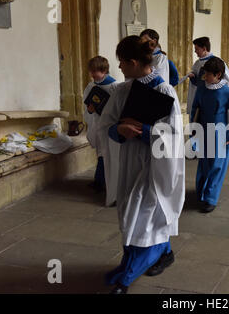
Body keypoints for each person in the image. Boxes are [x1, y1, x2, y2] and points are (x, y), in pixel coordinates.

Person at [99, 36, 185, 294]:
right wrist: (118, 129)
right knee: (131, 214)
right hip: (129, 164)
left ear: (134, 62)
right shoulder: (123, 90)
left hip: (153, 167)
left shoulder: (164, 91)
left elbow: (173, 136)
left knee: (143, 217)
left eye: (122, 63)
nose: (120, 68)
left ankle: (127, 276)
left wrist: (144, 131)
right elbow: (106, 124)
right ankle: (162, 253)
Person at [190, 57, 229, 214]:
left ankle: (211, 198)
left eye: (209, 74)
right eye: (204, 74)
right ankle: (201, 192)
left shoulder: (226, 92)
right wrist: (193, 131)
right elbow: (194, 110)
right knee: (204, 164)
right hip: (203, 132)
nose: (205, 77)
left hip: (220, 134)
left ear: (218, 75)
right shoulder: (201, 88)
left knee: (217, 167)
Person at [83, 56, 119, 201]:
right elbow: (87, 107)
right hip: (98, 124)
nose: (92, 75)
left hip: (110, 125)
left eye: (95, 72)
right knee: (101, 153)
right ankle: (99, 181)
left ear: (104, 71)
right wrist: (90, 110)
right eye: (91, 72)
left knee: (108, 154)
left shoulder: (115, 86)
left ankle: (106, 182)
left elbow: (118, 107)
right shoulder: (91, 87)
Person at [186, 36, 229, 116]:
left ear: (204, 48)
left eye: (197, 49)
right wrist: (193, 78)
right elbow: (197, 83)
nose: (195, 51)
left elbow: (226, 80)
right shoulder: (197, 63)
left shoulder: (217, 62)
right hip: (199, 100)